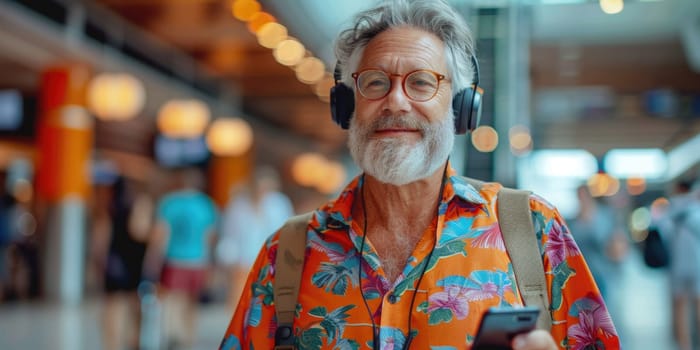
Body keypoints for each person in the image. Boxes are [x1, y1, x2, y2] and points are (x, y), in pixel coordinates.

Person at [220, 1, 620, 349]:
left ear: (461, 107)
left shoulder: (533, 230)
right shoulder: (287, 253)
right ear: (347, 106)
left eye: (422, 82)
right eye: (375, 82)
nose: (396, 100)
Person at [145, 167, 218, 349]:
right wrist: (210, 263)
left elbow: (160, 234)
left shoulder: (169, 203)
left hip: (174, 258)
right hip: (197, 259)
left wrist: (152, 259)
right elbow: (209, 237)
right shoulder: (206, 204)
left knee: (173, 299)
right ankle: (189, 337)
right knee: (192, 301)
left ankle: (173, 332)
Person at [216, 166, 294, 310]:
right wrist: (229, 261)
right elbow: (229, 235)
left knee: (267, 303)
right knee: (241, 302)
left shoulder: (279, 204)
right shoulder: (238, 206)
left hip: (271, 260)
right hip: (243, 261)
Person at [92, 175, 152, 350]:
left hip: (114, 262)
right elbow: (139, 232)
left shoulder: (108, 210)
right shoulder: (138, 205)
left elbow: (100, 240)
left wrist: (98, 263)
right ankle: (135, 340)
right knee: (135, 304)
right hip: (135, 261)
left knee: (112, 307)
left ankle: (112, 344)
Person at [657, 179, 700, 350]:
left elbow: (664, 235)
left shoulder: (669, 210)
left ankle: (685, 345)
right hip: (697, 265)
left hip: (677, 266)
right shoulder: (697, 208)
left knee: (680, 308)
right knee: (698, 306)